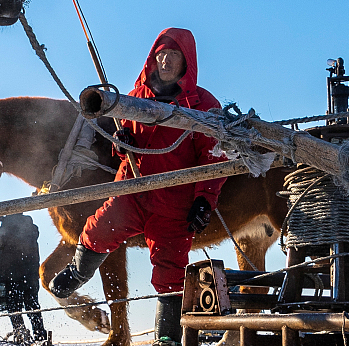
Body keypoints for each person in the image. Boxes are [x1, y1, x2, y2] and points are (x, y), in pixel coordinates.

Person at [50, 28, 226, 346]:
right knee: (99, 228)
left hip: (174, 202)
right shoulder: (136, 97)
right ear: (152, 59)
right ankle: (77, 271)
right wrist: (124, 142)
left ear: (187, 61)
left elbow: (214, 155)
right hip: (132, 188)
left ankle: (167, 338)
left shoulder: (203, 104)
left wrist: (204, 199)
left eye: (174, 55)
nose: (166, 60)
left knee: (170, 270)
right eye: (161, 54)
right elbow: (127, 143)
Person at [0, 214, 48, 345]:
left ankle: (21, 334)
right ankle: (40, 336)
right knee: (33, 305)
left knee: (14, 307)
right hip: (31, 275)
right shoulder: (32, 229)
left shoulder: (6, 229)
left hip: (12, 275)